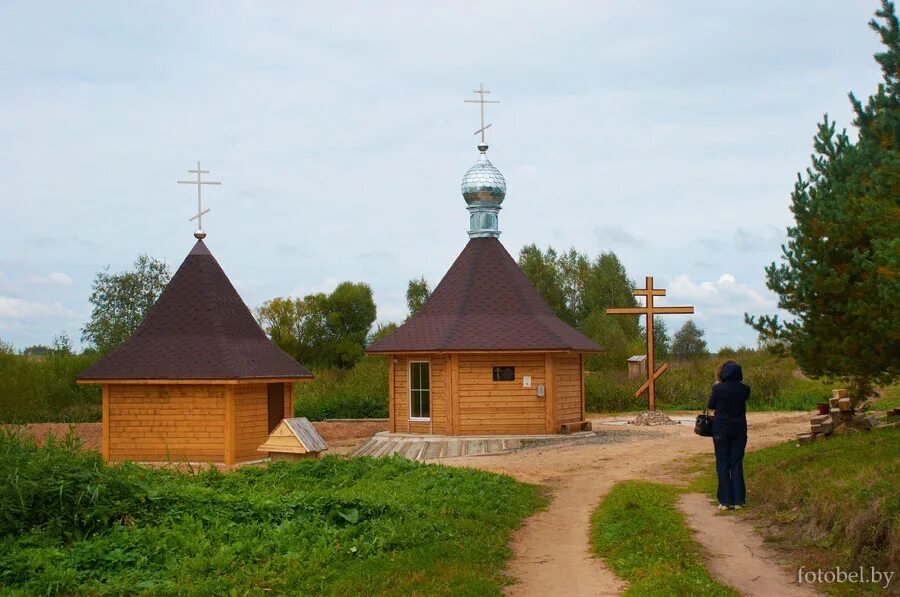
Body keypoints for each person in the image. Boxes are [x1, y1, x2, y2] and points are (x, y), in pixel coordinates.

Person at [707, 360, 750, 511]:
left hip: (721, 429)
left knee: (723, 464)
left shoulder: (718, 388)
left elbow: (711, 405)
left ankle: (725, 501)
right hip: (739, 429)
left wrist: (717, 384)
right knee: (736, 463)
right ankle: (739, 500)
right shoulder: (745, 389)